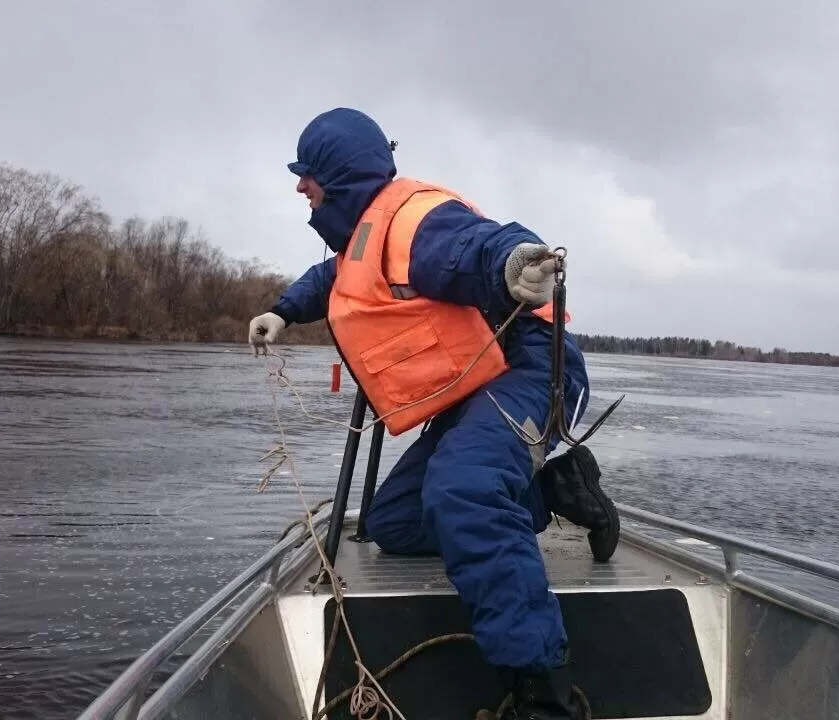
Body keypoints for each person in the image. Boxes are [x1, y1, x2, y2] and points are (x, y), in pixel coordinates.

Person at [248, 107, 617, 720]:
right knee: (394, 523)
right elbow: (330, 278)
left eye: (305, 173)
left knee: (463, 490)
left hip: (531, 369)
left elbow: (473, 245)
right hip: (480, 387)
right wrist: (284, 312)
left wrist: (513, 263)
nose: (298, 186)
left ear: (336, 177)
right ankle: (553, 491)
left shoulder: (415, 221)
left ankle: (543, 689)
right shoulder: (361, 239)